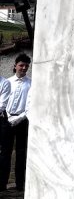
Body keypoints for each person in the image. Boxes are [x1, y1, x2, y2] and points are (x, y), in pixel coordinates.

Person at [0, 53, 31, 190]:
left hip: (23, 121)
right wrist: (7, 117)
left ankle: (20, 184)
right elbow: (3, 102)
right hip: (6, 120)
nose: (24, 68)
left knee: (21, 153)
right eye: (21, 65)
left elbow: (31, 105)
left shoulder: (31, 84)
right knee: (5, 152)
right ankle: (2, 183)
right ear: (15, 65)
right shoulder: (7, 82)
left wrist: (20, 118)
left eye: (26, 66)